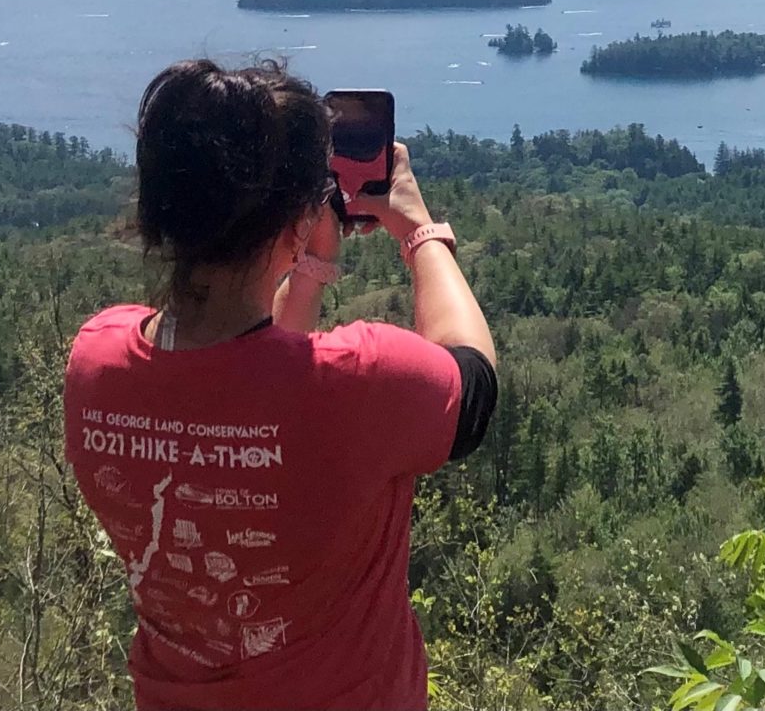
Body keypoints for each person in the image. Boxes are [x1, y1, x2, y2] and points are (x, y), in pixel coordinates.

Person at [66, 59, 497, 711]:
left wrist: (311, 262)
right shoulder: (361, 384)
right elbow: (474, 384)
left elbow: (247, 378)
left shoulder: (96, 365)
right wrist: (419, 229)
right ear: (296, 216)